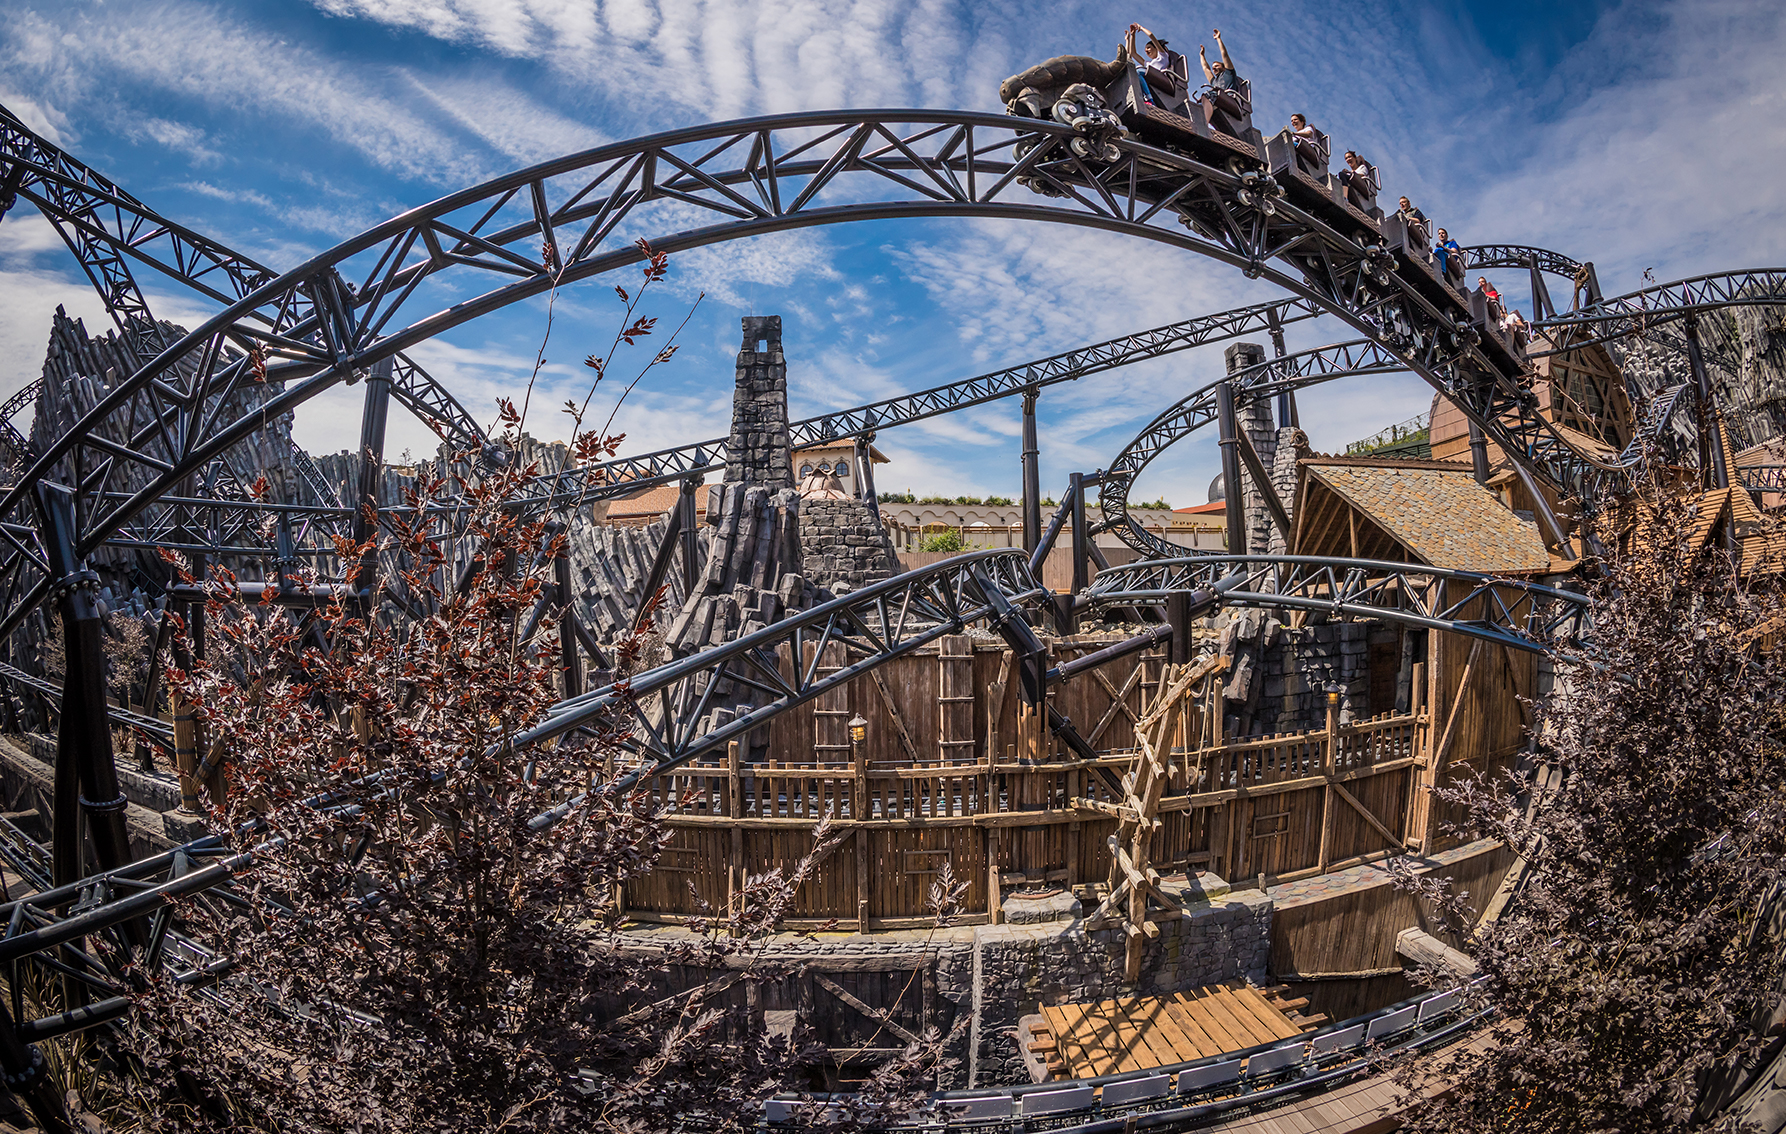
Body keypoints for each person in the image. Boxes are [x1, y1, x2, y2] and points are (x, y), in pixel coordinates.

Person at [1198, 29, 1248, 120]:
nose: (1214, 68)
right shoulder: (1214, 81)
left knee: (1208, 95)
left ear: (1224, 67)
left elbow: (1224, 54)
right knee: (1200, 102)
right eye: (1213, 67)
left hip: (1229, 99)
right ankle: (1198, 121)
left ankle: (1204, 123)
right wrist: (1201, 56)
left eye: (1217, 66)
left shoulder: (1229, 73)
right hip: (1217, 97)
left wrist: (1218, 39)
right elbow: (1206, 68)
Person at [1124, 23, 1180, 102]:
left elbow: (1151, 36)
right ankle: (1143, 98)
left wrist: (1141, 28)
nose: (1146, 51)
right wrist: (1133, 35)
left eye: (1149, 48)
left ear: (1156, 48)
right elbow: (1133, 53)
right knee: (1134, 72)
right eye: (1145, 50)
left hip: (1161, 79)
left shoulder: (1162, 56)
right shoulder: (1148, 64)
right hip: (1152, 78)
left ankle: (1148, 98)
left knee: (1139, 71)